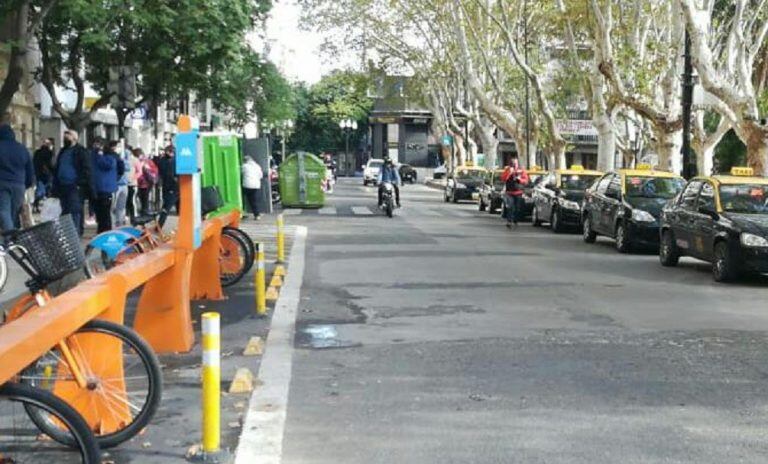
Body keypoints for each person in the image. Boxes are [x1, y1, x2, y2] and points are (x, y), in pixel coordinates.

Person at [53, 130, 92, 236]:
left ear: (75, 138)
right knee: (65, 211)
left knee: (74, 210)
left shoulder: (80, 151)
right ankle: (68, 233)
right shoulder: (63, 151)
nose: (65, 139)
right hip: (62, 185)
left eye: (68, 137)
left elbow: (86, 169)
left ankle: (75, 234)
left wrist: (80, 183)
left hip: (74, 186)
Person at [0, 119, 35, 231]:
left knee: (4, 212)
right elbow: (30, 169)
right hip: (19, 185)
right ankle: (11, 240)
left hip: (2, 183)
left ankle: (9, 239)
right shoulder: (22, 149)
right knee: (13, 213)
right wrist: (28, 184)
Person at [91, 140, 118, 232]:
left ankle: (106, 231)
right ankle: (101, 230)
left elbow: (107, 165)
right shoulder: (95, 157)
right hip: (98, 188)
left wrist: (99, 155)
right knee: (100, 213)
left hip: (105, 189)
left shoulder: (109, 158)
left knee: (105, 213)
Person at [500, 158, 529, 228]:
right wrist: (509, 173)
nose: (514, 165)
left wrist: (520, 179)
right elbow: (503, 179)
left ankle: (515, 220)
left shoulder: (521, 171)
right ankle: (509, 221)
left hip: (518, 192)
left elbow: (526, 181)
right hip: (509, 192)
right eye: (512, 163)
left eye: (515, 163)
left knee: (517, 208)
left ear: (517, 164)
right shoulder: (507, 170)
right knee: (510, 207)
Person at [106, 141, 128, 227]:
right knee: (113, 207)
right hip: (116, 185)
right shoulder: (112, 156)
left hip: (123, 184)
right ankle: (113, 224)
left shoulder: (124, 155)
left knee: (121, 206)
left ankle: (119, 223)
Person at [156, 145, 177, 225]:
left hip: (172, 186)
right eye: (170, 151)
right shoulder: (165, 160)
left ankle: (159, 225)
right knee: (166, 206)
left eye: (172, 151)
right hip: (170, 186)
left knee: (167, 207)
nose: (171, 153)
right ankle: (160, 225)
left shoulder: (166, 160)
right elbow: (164, 173)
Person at [32, 137, 54, 213]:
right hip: (47, 175)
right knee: (48, 191)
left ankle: (36, 206)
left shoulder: (37, 152)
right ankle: (47, 207)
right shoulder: (49, 153)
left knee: (40, 191)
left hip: (38, 174)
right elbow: (50, 164)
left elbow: (34, 163)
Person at [135, 148, 158, 215]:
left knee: (144, 197)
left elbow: (154, 170)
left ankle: (144, 210)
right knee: (143, 196)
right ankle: (144, 209)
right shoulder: (147, 161)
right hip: (144, 182)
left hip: (145, 182)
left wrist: (147, 169)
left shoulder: (146, 161)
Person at [241, 156, 263, 220]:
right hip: (256, 185)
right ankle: (257, 215)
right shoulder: (257, 166)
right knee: (253, 200)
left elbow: (240, 174)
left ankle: (242, 212)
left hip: (247, 185)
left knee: (241, 199)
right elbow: (260, 176)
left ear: (245, 161)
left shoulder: (244, 166)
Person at [125, 145, 138, 221]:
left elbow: (139, 171)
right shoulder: (122, 159)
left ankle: (134, 216)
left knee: (131, 200)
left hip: (132, 184)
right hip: (124, 184)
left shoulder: (135, 160)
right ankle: (126, 214)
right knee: (126, 200)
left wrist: (132, 178)